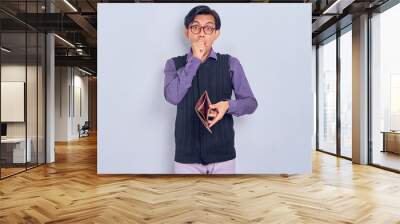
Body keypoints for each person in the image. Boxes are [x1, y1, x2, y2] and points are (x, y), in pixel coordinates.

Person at [164, 5, 258, 174]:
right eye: (195, 27)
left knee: (222, 201)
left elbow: (251, 103)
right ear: (187, 32)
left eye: (208, 28)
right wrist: (195, 60)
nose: (201, 33)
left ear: (216, 33)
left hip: (223, 156)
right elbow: (173, 97)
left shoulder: (230, 63)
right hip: (186, 157)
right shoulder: (173, 64)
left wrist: (227, 106)